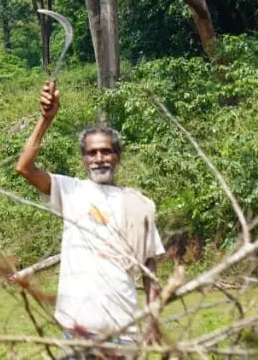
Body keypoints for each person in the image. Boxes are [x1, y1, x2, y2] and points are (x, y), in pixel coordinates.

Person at [15, 79, 165, 356]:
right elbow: (25, 168)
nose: (99, 158)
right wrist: (46, 119)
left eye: (106, 151)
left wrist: (154, 318)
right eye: (92, 153)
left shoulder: (138, 203)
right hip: (77, 328)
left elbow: (150, 267)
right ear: (83, 159)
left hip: (123, 329)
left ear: (117, 156)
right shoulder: (71, 191)